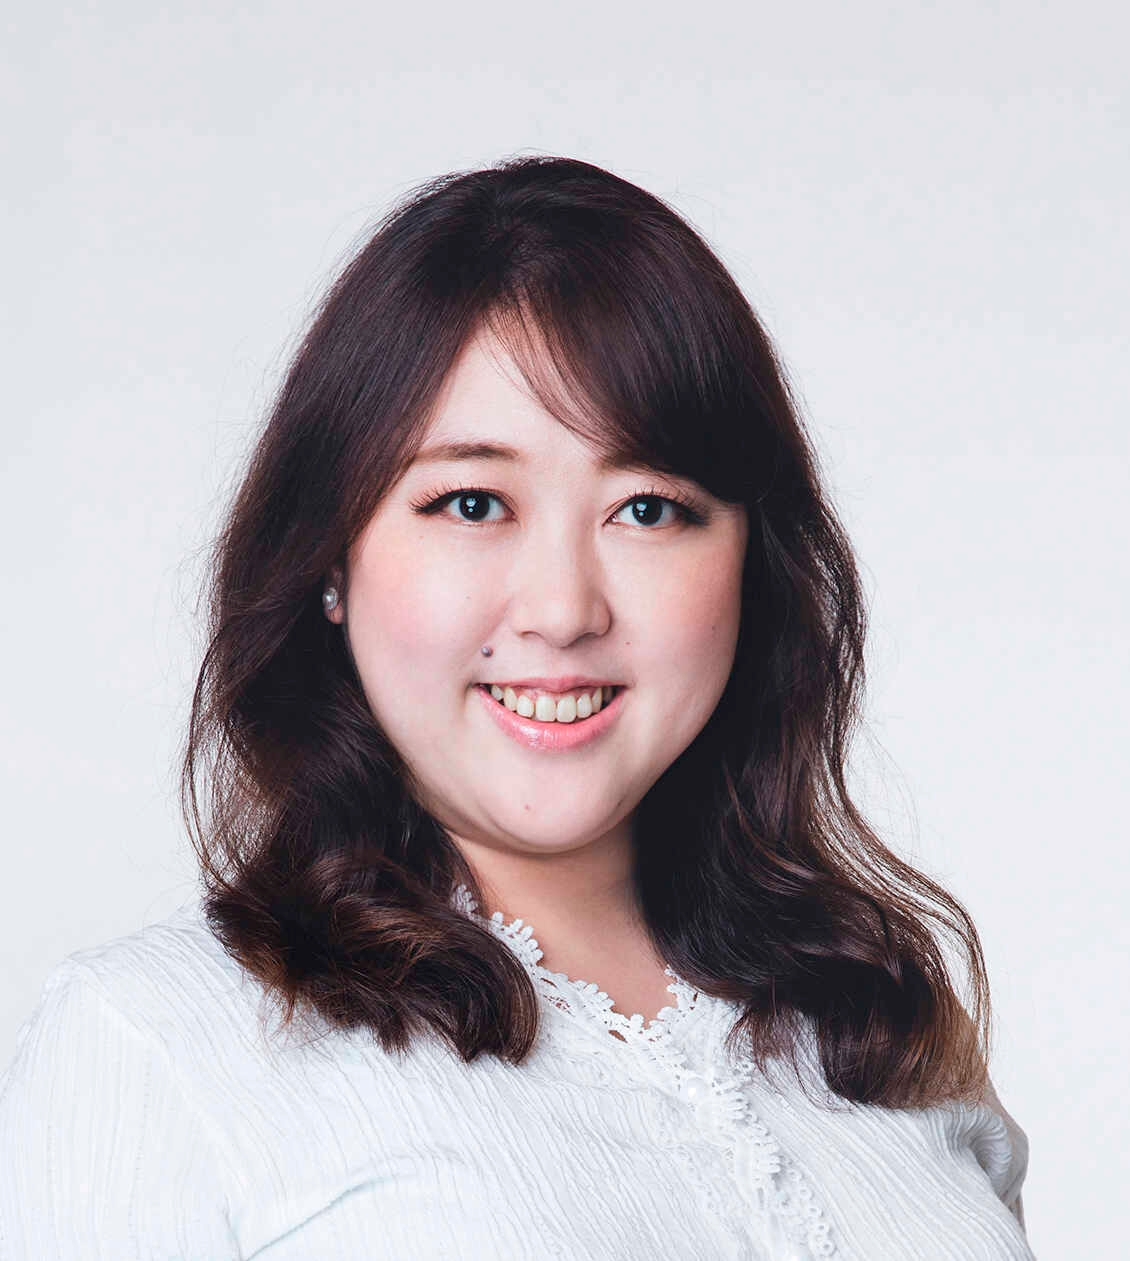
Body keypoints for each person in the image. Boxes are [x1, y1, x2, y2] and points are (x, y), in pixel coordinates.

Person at [0, 156, 1033, 1259]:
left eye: (647, 509)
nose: (562, 609)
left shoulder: (884, 1027)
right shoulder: (156, 1042)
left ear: (751, 564)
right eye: (472, 502)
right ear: (331, 558)